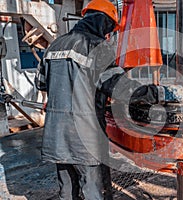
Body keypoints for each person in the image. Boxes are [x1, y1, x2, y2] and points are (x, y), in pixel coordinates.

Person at [35, 0, 121, 199]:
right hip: (85, 136)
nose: (109, 35)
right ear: (104, 23)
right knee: (92, 189)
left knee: (67, 190)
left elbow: (41, 83)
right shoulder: (96, 46)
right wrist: (154, 93)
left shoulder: (54, 46)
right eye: (110, 29)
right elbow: (118, 86)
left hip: (56, 134)